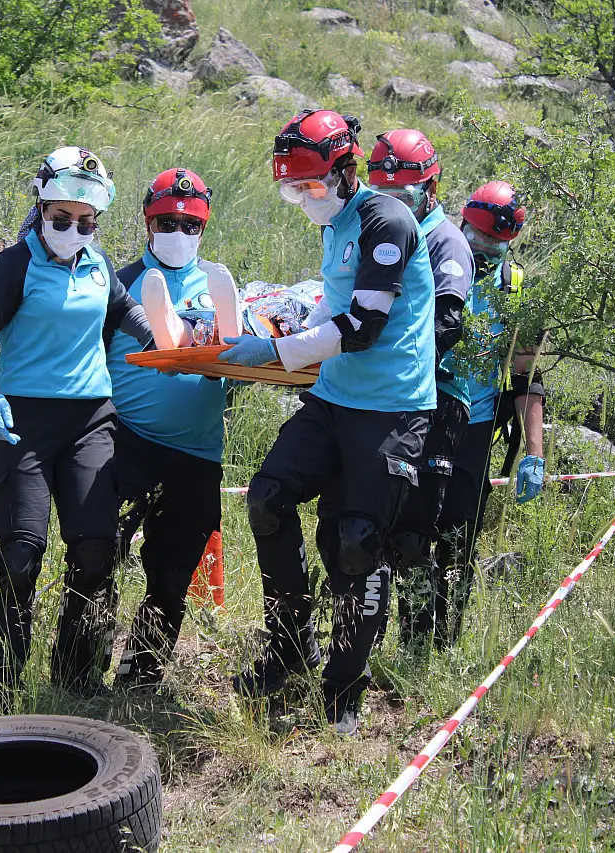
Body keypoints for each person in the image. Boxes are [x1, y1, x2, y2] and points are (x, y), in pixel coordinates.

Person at [217, 109, 436, 733]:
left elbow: (363, 329)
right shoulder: (334, 224)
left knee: (357, 542)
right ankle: (290, 644)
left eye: (311, 187)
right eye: (292, 190)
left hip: (393, 406)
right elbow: (333, 306)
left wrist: (277, 353)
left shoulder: (384, 219)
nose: (304, 199)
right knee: (266, 497)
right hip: (335, 400)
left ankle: (344, 684)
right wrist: (274, 329)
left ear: (345, 171)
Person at [0, 147, 154, 711]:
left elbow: (121, 312)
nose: (74, 230)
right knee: (20, 553)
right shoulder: (16, 264)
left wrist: (166, 342)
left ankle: (75, 677)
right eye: (62, 219)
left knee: (94, 549)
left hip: (90, 418)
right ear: (41, 208)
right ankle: (4, 684)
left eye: (86, 222)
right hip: (24, 422)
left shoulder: (99, 263)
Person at [103, 167, 233, 690]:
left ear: (203, 228)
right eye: (167, 221)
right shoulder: (120, 284)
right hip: (127, 441)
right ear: (147, 221)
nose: (178, 232)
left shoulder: (222, 285)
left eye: (190, 224)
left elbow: (236, 361)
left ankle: (141, 678)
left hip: (199, 453)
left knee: (173, 575)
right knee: (98, 555)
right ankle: (80, 665)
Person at [365, 129, 476, 649]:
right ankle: (365, 635)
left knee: (414, 533)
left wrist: (396, 364)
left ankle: (418, 648)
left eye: (405, 196)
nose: (396, 207)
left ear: (431, 188)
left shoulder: (443, 239)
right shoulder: (378, 227)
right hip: (385, 395)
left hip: (433, 395)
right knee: (370, 522)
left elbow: (446, 323)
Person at [434, 181, 546, 644]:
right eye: (476, 238)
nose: (481, 250)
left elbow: (526, 378)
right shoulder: (433, 261)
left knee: (459, 537)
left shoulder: (516, 290)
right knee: (404, 528)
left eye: (493, 244)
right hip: (421, 411)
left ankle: (441, 641)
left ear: (510, 242)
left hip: (476, 426)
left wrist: (534, 453)